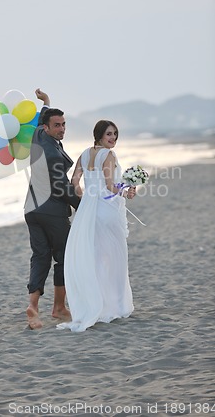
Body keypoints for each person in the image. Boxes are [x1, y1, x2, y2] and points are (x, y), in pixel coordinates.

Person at [57, 120, 136, 333]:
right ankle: (117, 306)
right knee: (115, 257)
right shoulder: (108, 155)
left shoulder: (84, 153)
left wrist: (86, 199)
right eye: (109, 134)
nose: (113, 138)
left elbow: (74, 182)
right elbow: (110, 185)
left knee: (97, 257)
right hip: (106, 209)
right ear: (99, 135)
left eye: (115, 134)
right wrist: (126, 190)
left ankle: (98, 305)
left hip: (88, 211)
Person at [24, 89, 81, 329]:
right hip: (51, 211)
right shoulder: (53, 155)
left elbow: (43, 115)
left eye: (64, 125)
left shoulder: (38, 134)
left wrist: (45, 102)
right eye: (57, 126)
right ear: (47, 128)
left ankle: (33, 307)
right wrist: (83, 205)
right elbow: (60, 187)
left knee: (39, 257)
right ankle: (58, 308)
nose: (62, 129)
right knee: (63, 257)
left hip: (31, 210)